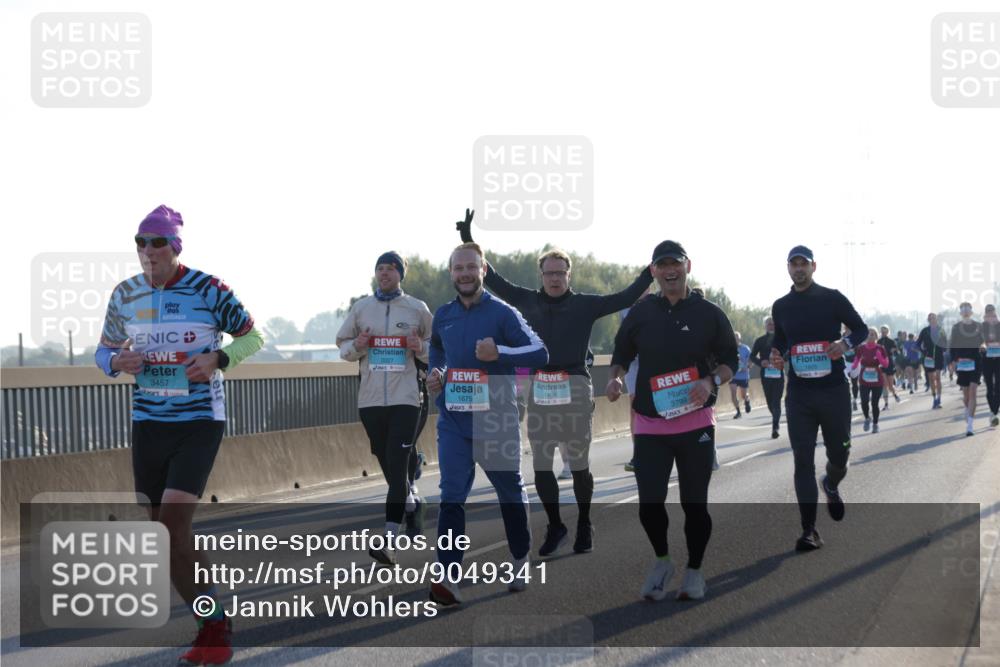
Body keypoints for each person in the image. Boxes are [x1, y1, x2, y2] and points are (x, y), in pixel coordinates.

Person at [95, 205, 263, 666]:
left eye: (156, 241)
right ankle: (210, 618)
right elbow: (103, 349)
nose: (147, 250)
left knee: (173, 522)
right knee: (163, 534)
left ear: (176, 246)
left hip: (199, 421)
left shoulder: (209, 288)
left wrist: (219, 360)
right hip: (149, 422)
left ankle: (214, 627)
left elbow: (252, 337)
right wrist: (115, 363)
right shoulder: (125, 294)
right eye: (140, 241)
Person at [457, 210, 653, 556]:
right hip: (539, 386)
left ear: (568, 275)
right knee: (542, 464)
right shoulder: (528, 301)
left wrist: (648, 271)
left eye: (560, 273)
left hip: (575, 384)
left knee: (578, 464)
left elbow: (624, 297)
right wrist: (468, 239)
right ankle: (555, 524)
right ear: (541, 275)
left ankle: (584, 524)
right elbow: (493, 279)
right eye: (549, 273)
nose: (554, 279)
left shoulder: (584, 305)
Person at [606, 240, 738, 602]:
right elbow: (621, 354)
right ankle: (662, 560)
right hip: (650, 425)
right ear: (654, 272)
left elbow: (731, 361)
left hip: (695, 423)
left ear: (687, 266)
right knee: (649, 505)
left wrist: (710, 380)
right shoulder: (641, 313)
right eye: (662, 265)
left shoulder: (710, 313)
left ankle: (694, 570)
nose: (669, 270)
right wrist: (615, 377)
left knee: (694, 505)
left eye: (674, 264)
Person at [426, 242, 548, 606]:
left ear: (483, 270)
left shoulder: (503, 313)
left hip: (496, 417)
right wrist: (437, 372)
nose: (464, 274)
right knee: (451, 498)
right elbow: (438, 349)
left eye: (470, 267)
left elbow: (541, 352)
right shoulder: (443, 314)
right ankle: (449, 577)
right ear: (452, 273)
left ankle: (519, 558)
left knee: (509, 491)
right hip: (454, 418)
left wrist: (501, 353)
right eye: (458, 268)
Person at [337, 252, 434, 565]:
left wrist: (421, 348)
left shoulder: (417, 309)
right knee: (388, 463)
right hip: (370, 401)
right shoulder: (362, 308)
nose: (384, 273)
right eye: (380, 268)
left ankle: (389, 538)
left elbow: (438, 351)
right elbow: (343, 349)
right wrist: (359, 345)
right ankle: (412, 502)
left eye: (391, 268)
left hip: (406, 397)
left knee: (397, 458)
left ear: (400, 275)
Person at [770, 245, 867, 552]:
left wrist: (844, 343)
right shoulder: (781, 306)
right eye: (793, 264)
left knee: (840, 453)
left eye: (804, 264)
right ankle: (809, 530)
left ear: (814, 267)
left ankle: (832, 483)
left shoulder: (832, 298)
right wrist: (777, 356)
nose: (799, 269)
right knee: (802, 461)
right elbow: (781, 343)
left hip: (834, 390)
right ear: (788, 268)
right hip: (799, 394)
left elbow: (861, 329)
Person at [949, 302, 985, 437]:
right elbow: (952, 345)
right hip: (962, 363)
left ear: (971, 312)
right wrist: (952, 361)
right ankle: (967, 409)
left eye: (967, 309)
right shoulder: (956, 328)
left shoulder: (978, 326)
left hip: (975, 362)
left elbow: (984, 340)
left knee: (973, 393)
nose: (965, 311)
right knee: (966, 395)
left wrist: (983, 346)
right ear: (960, 313)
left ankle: (970, 426)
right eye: (962, 309)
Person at [750, 316, 785, 439]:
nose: (771, 325)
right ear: (765, 326)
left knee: (776, 402)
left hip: (778, 374)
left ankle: (775, 427)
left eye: (773, 323)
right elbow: (752, 356)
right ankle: (775, 418)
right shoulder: (760, 340)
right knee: (770, 403)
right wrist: (761, 362)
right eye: (769, 324)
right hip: (766, 375)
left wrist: (782, 359)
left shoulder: (782, 339)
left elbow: (788, 352)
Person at [850, 328, 890, 433]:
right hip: (864, 379)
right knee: (864, 401)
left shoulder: (880, 348)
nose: (870, 336)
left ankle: (875, 424)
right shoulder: (861, 348)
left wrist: (879, 357)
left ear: (876, 337)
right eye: (868, 334)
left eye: (872, 334)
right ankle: (867, 418)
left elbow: (886, 364)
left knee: (874, 403)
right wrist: (852, 367)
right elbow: (856, 360)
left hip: (877, 379)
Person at [917, 313, 947, 409]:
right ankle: (934, 399)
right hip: (928, 357)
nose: (932, 320)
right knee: (931, 379)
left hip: (938, 356)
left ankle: (939, 399)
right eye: (930, 318)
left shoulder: (941, 330)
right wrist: (923, 351)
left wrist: (943, 349)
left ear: (936, 319)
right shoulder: (925, 331)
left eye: (933, 318)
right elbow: (918, 343)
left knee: (938, 378)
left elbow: (945, 342)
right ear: (928, 320)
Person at [981, 304, 1000, 427]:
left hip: (999, 359)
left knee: (998, 387)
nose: (990, 315)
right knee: (989, 388)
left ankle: (994, 412)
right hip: (986, 359)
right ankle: (993, 411)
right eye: (988, 313)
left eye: (992, 312)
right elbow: (978, 340)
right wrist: (982, 346)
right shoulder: (982, 326)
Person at [877, 326, 901, 408]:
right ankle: (886, 404)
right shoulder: (878, 342)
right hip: (881, 364)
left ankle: (895, 394)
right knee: (884, 384)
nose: (883, 333)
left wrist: (893, 350)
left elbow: (897, 352)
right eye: (882, 331)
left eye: (885, 331)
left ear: (888, 332)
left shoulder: (891, 341)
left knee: (890, 385)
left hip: (889, 363)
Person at [730, 332, 752, 418]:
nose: (735, 340)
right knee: (733, 393)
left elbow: (751, 359)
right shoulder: (729, 349)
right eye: (734, 338)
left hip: (743, 375)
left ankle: (747, 401)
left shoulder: (745, 348)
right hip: (733, 375)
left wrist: (748, 367)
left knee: (743, 395)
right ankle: (738, 412)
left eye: (737, 338)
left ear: (740, 339)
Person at [843, 327, 860, 412]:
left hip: (855, 362)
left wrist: (857, 362)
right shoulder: (841, 337)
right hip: (845, 362)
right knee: (846, 381)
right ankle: (847, 400)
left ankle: (855, 400)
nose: (847, 329)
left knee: (854, 382)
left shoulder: (855, 337)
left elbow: (859, 351)